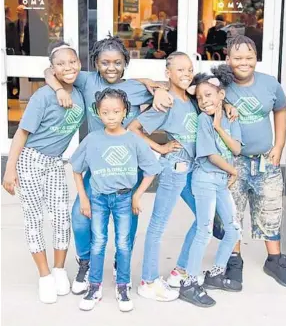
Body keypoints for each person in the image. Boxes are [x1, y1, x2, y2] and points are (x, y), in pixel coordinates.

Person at [44, 34, 173, 294]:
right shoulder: (86, 80)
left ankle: (119, 262)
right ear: (95, 63)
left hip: (128, 171)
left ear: (125, 62)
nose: (110, 68)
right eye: (104, 62)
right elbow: (50, 70)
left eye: (117, 62)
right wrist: (58, 89)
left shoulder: (136, 88)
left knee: (127, 225)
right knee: (80, 218)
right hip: (96, 169)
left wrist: (157, 89)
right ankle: (86, 261)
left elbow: (164, 89)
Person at [2, 41, 85, 304]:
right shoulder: (43, 96)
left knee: (61, 216)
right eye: (60, 64)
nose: (68, 67)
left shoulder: (81, 90)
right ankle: (45, 275)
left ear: (80, 64)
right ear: (52, 68)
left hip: (55, 162)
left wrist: (60, 85)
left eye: (72, 61)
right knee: (34, 218)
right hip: (31, 160)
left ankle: (59, 270)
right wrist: (9, 170)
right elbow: (21, 134)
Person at [70, 88, 161, 312]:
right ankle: (94, 286)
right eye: (105, 112)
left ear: (125, 112)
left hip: (124, 199)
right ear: (98, 113)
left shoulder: (133, 140)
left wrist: (137, 195)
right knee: (98, 242)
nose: (110, 116)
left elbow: (151, 170)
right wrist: (83, 197)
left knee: (123, 243)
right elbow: (76, 169)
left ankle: (122, 286)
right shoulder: (92, 139)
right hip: (99, 199)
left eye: (116, 111)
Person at [218, 35, 286, 289]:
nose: (244, 62)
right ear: (227, 58)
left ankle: (274, 260)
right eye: (238, 58)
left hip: (265, 161)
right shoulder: (220, 84)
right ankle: (234, 260)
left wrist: (280, 144)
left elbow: (281, 110)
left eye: (249, 57)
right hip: (233, 162)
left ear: (256, 58)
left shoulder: (269, 84)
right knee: (232, 212)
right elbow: (193, 91)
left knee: (271, 210)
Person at [128, 51, 197, 301]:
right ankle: (148, 281)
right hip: (174, 168)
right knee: (158, 225)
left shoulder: (192, 99)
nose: (186, 74)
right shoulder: (165, 102)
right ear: (168, 73)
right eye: (180, 70)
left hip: (192, 169)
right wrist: (159, 147)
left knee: (204, 219)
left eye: (189, 69)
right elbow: (133, 128)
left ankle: (179, 271)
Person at [179, 65, 242, 308]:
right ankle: (189, 283)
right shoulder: (202, 120)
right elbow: (210, 155)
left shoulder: (230, 117)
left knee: (233, 229)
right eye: (199, 97)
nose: (204, 101)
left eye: (208, 95)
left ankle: (215, 273)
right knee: (204, 231)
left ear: (221, 95)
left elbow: (236, 148)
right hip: (205, 179)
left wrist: (219, 127)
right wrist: (233, 170)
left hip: (220, 181)